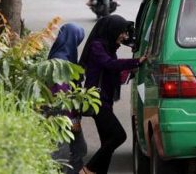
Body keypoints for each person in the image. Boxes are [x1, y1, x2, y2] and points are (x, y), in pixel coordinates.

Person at [78, 15, 147, 174]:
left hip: (104, 101)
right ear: (112, 31)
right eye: (121, 32)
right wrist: (136, 61)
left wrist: (135, 70)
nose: (124, 36)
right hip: (96, 101)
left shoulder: (108, 47)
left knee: (107, 143)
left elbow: (113, 74)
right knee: (118, 136)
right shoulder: (97, 47)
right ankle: (88, 170)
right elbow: (109, 65)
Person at [47, 23, 87, 174]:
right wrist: (71, 119)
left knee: (77, 149)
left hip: (60, 114)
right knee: (65, 152)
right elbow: (60, 94)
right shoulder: (61, 62)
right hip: (61, 116)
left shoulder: (59, 55)